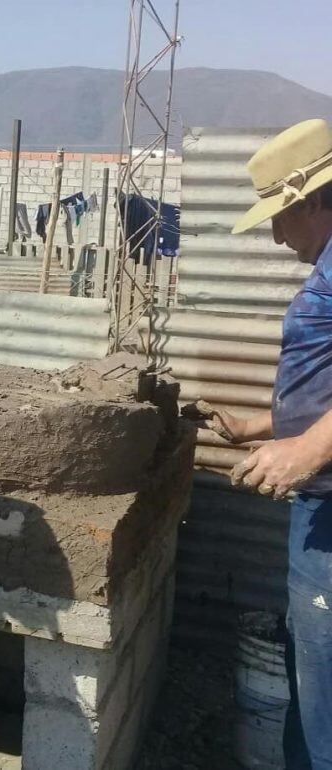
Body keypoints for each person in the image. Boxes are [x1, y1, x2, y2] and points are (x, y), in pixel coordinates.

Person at [211, 119, 332, 769]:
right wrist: (261, 426)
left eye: (281, 215)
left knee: (326, 705)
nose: (276, 233)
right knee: (310, 683)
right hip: (319, 511)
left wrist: (306, 452)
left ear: (313, 200)